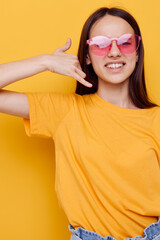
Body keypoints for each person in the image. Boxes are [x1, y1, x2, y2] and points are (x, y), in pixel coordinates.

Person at [0, 6, 160, 240]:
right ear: (86, 55)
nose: (114, 52)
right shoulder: (65, 111)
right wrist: (45, 62)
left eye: (125, 42)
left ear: (137, 51)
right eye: (101, 44)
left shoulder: (156, 120)